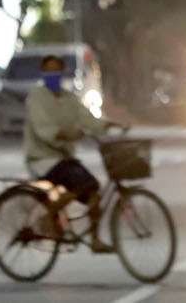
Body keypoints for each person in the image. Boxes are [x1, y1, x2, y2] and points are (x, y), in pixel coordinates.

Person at [23, 54, 114, 249]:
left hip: (63, 158)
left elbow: (86, 118)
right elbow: (42, 128)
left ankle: (95, 240)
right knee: (83, 185)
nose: (52, 74)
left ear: (62, 72)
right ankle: (47, 218)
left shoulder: (69, 98)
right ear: (42, 73)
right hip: (42, 158)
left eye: (56, 70)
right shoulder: (36, 97)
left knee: (94, 193)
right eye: (48, 70)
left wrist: (105, 125)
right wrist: (64, 135)